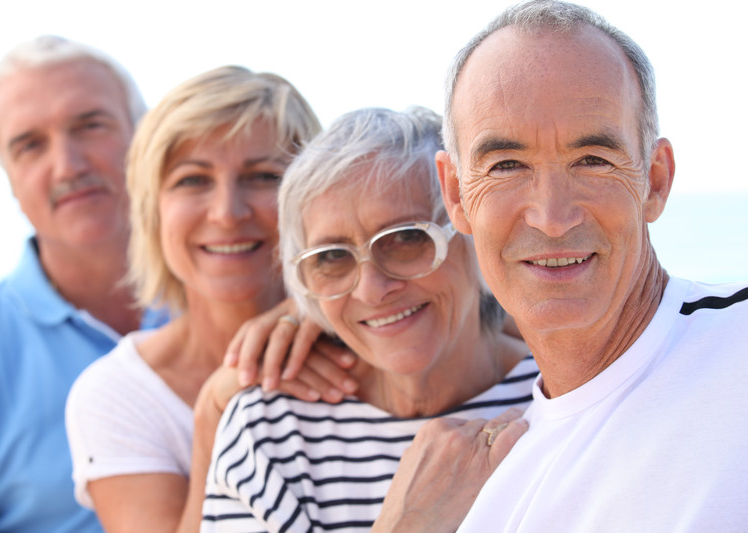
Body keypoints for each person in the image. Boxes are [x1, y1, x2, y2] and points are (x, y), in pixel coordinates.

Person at [432, 1, 748, 531]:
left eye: (593, 160)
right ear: (456, 195)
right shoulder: (490, 501)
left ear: (655, 179)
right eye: (507, 165)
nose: (553, 217)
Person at [200, 106, 539, 532]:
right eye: (331, 258)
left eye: (406, 239)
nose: (371, 289)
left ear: (473, 231)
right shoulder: (270, 432)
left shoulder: (567, 397)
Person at [65, 65, 357, 533]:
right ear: (151, 210)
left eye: (263, 176)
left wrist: (318, 306)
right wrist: (217, 410)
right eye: (193, 180)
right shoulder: (114, 395)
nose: (227, 213)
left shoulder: (383, 330)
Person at [0, 36, 164, 533]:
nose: (68, 165)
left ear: (145, 137)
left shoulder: (236, 299)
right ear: (9, 179)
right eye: (30, 145)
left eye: (90, 126)